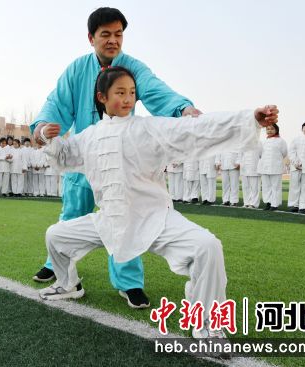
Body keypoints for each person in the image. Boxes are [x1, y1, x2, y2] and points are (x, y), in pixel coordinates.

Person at [37, 67, 279, 336]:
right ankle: (68, 284)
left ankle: (208, 327)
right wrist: (49, 137)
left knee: (207, 247)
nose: (128, 98)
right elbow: (64, 155)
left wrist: (249, 120)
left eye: (131, 92)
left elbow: (195, 129)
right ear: (102, 97)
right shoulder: (90, 136)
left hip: (153, 218)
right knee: (55, 235)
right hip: (110, 221)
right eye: (120, 92)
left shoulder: (148, 128)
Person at [29, 7, 202, 307]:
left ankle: (128, 282)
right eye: (105, 34)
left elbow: (155, 89)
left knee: (123, 218)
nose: (113, 40)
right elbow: (56, 101)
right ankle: (59, 268)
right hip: (83, 153)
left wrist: (182, 109)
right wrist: (44, 127)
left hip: (120, 160)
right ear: (91, 38)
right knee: (71, 215)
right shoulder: (76, 70)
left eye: (118, 34)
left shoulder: (132, 67)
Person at [287, 121, 305, 213]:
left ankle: (304, 206)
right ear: (302, 129)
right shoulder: (296, 139)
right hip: (295, 167)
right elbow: (291, 152)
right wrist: (295, 162)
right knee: (294, 186)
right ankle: (295, 205)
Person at [258, 124, 287, 211]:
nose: (269, 130)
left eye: (272, 129)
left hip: (276, 167)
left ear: (276, 130)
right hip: (264, 167)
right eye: (268, 129)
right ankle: (268, 203)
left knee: (275, 186)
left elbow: (284, 153)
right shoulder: (263, 141)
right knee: (266, 186)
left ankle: (274, 204)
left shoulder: (281, 141)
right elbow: (260, 154)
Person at [240, 142, 263, 208]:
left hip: (254, 168)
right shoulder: (243, 143)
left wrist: (260, 166)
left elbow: (262, 155)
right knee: (245, 187)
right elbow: (240, 155)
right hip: (244, 168)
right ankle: (246, 202)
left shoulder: (259, 143)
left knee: (255, 187)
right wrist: (241, 164)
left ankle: (254, 204)